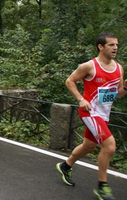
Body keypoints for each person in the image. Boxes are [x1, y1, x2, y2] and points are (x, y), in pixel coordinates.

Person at [56, 33, 127, 200]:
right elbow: (69, 81)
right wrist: (81, 99)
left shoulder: (119, 68)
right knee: (109, 147)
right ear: (100, 47)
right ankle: (102, 187)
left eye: (116, 45)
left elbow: (117, 94)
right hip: (90, 112)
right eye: (111, 45)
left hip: (104, 114)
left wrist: (125, 88)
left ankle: (65, 166)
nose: (115, 47)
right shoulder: (90, 66)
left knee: (89, 146)